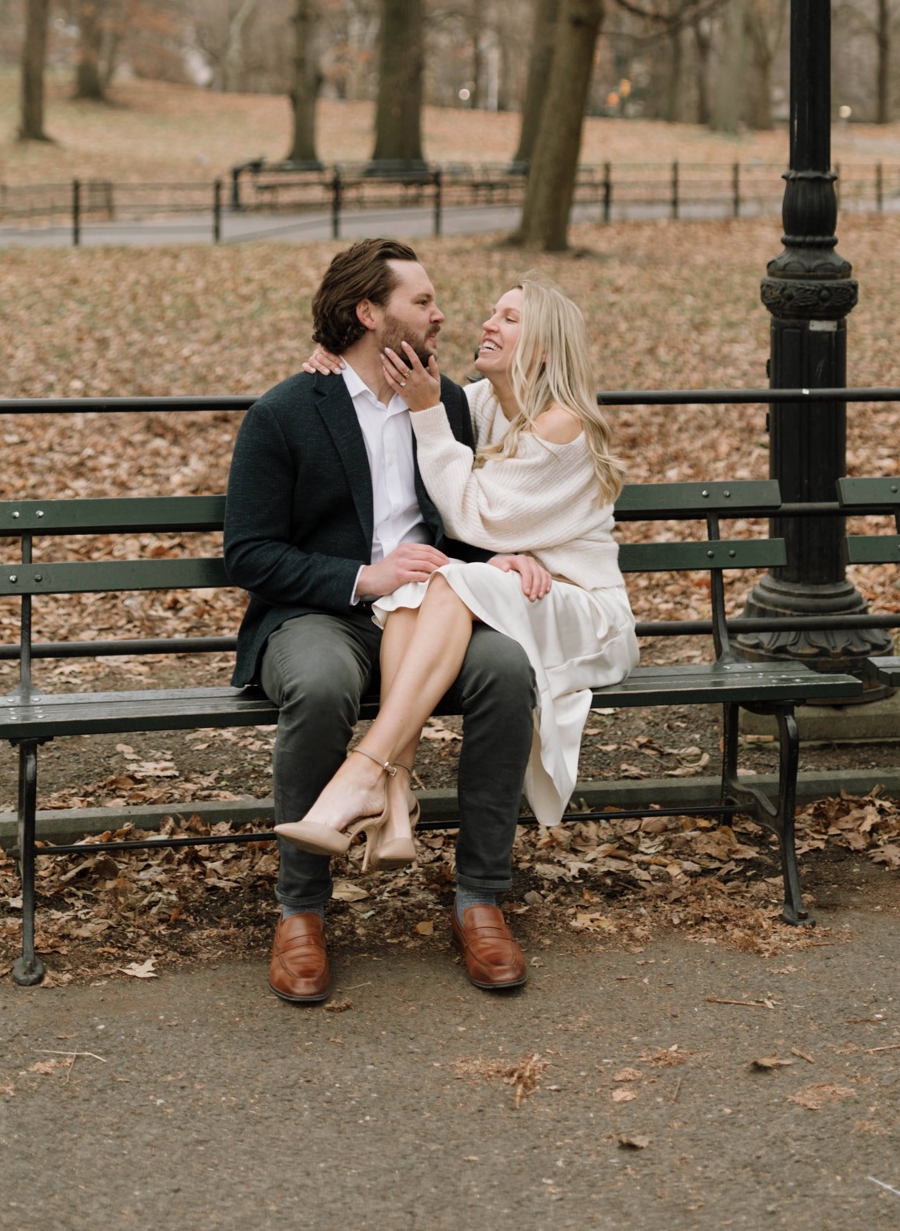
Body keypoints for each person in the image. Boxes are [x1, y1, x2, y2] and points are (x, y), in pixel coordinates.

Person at [222, 239, 537, 1006]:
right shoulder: (287, 411)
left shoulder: (450, 400)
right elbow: (251, 554)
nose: (440, 315)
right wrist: (365, 576)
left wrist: (499, 556)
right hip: (320, 613)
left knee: (505, 671)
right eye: (422, 302)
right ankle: (302, 911)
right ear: (370, 313)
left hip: (432, 614)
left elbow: (465, 513)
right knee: (325, 683)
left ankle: (480, 899)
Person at [283, 275, 638, 912]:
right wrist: (336, 359)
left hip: (579, 604)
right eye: (490, 313)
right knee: (428, 585)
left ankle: (369, 771)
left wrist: (424, 412)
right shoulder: (481, 403)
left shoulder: (564, 425)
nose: (487, 325)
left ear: (547, 349)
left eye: (509, 318)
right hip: (517, 588)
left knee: (439, 578)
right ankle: (389, 794)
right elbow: (417, 408)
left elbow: (471, 517)